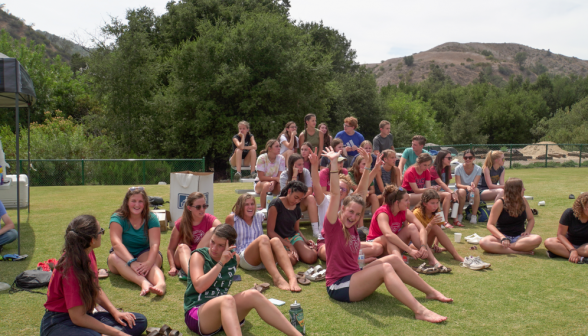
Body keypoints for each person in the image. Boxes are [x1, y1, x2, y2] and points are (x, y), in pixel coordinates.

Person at [321, 147, 451, 323]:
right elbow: (336, 193)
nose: (353, 217)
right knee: (385, 267)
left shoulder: (351, 224)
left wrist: (367, 166)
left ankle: (430, 292)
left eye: (357, 214)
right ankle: (420, 310)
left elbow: (360, 192)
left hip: (354, 274)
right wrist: (334, 163)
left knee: (395, 260)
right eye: (350, 212)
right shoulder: (333, 226)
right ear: (342, 209)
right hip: (339, 286)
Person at [184, 224, 302, 336]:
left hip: (222, 312)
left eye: (220, 245)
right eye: (212, 242)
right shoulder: (199, 256)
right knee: (227, 299)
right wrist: (221, 263)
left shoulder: (235, 259)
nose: (214, 248)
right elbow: (199, 287)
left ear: (230, 246)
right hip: (197, 314)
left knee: (253, 294)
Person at [41, 215, 148, 336]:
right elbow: (77, 318)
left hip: (84, 315)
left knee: (138, 321)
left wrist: (115, 312)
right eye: (101, 231)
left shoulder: (87, 252)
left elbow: (95, 289)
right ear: (92, 240)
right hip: (59, 322)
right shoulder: (71, 269)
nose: (102, 234)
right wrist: (119, 334)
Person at [311, 147, 383, 262]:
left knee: (378, 248)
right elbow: (316, 185)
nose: (340, 191)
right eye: (338, 188)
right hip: (326, 243)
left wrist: (370, 166)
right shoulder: (326, 200)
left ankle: (352, 258)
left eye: (343, 189)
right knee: (329, 254)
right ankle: (358, 259)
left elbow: (363, 188)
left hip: (347, 242)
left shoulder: (350, 203)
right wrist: (314, 165)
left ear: (348, 191)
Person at [225, 194, 302, 292]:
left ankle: (292, 278)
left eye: (252, 204)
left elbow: (280, 220)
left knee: (275, 240)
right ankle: (277, 278)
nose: (250, 207)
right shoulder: (232, 218)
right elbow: (226, 239)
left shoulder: (259, 216)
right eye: (246, 204)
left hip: (265, 257)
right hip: (246, 257)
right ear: (240, 206)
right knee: (264, 238)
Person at [367, 185, 450, 273]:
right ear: (396, 202)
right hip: (376, 245)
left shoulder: (404, 211)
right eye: (406, 200)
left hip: (393, 245)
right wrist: (409, 250)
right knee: (389, 237)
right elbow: (388, 234)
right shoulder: (383, 213)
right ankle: (402, 266)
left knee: (412, 227)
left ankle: (433, 261)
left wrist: (423, 246)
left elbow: (421, 228)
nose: (408, 202)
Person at [107, 187, 166, 296]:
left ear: (145, 203)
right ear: (127, 202)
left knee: (151, 263)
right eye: (133, 201)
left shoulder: (151, 218)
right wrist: (132, 262)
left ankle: (160, 284)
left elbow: (154, 244)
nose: (137, 205)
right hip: (122, 256)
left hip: (144, 252)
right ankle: (143, 282)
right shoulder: (117, 218)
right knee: (113, 257)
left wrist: (148, 263)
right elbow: (116, 244)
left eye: (140, 201)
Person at [479, 178, 542, 254]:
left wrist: (527, 232)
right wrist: (502, 237)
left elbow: (531, 219)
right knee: (484, 242)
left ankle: (505, 248)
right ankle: (519, 251)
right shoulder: (500, 203)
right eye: (522, 188)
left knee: (537, 239)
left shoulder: (523, 200)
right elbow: (490, 225)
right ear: (515, 190)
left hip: (519, 237)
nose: (524, 189)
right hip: (502, 236)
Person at [167, 192, 221, 280]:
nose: (202, 209)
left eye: (204, 206)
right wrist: (172, 267)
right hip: (183, 257)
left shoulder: (210, 219)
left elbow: (224, 232)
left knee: (214, 230)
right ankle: (192, 275)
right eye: (198, 207)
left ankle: (194, 273)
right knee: (182, 247)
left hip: (202, 256)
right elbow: (171, 249)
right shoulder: (181, 223)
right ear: (189, 208)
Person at [267, 181, 318, 265]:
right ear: (289, 191)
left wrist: (306, 241)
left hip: (293, 237)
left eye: (300, 199)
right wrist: (288, 245)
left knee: (312, 257)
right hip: (278, 239)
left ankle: (300, 250)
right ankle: (291, 251)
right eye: (296, 197)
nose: (297, 201)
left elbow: (296, 230)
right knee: (291, 260)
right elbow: (270, 232)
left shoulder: (297, 209)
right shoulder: (276, 204)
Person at [412, 190, 466, 263]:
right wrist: (430, 225)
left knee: (435, 227)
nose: (435, 205)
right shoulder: (417, 213)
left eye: (437, 203)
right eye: (432, 203)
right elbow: (416, 236)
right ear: (424, 203)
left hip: (427, 241)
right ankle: (432, 250)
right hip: (416, 242)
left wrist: (436, 244)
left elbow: (439, 230)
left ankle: (456, 255)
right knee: (433, 228)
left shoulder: (438, 211)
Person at [279, 153, 320, 237]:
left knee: (311, 198)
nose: (302, 167)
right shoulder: (284, 175)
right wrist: (294, 175)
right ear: (292, 165)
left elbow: (309, 189)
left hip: (300, 201)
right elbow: (288, 194)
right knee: (292, 198)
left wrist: (299, 198)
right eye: (299, 164)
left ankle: (316, 231)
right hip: (287, 204)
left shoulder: (305, 172)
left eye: (302, 164)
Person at [545, 193, 588, 262]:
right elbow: (561, 235)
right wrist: (572, 249)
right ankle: (582, 259)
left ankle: (559, 252)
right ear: (581, 206)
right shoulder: (569, 213)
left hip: (585, 247)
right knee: (549, 242)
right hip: (568, 244)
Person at [430, 150, 459, 228]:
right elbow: (440, 183)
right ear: (442, 159)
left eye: (451, 158)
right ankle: (445, 221)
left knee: (455, 196)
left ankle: (455, 220)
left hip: (441, 191)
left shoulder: (447, 168)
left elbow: (446, 184)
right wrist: (451, 192)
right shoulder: (433, 168)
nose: (450, 160)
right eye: (449, 158)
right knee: (449, 194)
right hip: (432, 192)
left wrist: (453, 193)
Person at [254, 139, 286, 211]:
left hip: (275, 183)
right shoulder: (261, 158)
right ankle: (263, 209)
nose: (279, 148)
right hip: (260, 183)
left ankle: (283, 209)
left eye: (279, 146)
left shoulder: (281, 158)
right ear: (269, 148)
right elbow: (261, 178)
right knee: (267, 185)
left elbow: (280, 176)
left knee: (282, 186)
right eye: (276, 146)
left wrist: (274, 182)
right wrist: (274, 180)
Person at [454, 150, 482, 224]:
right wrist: (467, 187)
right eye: (465, 157)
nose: (467, 159)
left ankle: (474, 216)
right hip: (460, 190)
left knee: (476, 191)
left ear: (473, 158)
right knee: (462, 192)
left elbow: (475, 184)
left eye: (470, 157)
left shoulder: (478, 168)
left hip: (471, 190)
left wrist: (472, 185)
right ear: (463, 158)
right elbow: (458, 184)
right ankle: (460, 214)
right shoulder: (458, 168)